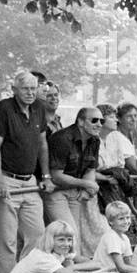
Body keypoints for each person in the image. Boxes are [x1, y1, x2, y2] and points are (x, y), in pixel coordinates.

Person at [0, 70, 54, 273]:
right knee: (6, 240)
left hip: (30, 181)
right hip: (7, 180)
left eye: (34, 88)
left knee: (37, 235)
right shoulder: (3, 109)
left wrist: (45, 176)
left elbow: (43, 144)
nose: (30, 93)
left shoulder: (39, 109)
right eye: (25, 88)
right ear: (14, 89)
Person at [46, 107, 109, 258]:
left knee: (75, 238)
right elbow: (56, 176)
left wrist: (86, 190)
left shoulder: (94, 140)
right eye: (94, 120)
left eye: (102, 121)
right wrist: (87, 184)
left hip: (74, 191)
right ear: (80, 121)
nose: (99, 124)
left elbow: (90, 169)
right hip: (56, 191)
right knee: (69, 233)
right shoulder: (62, 138)